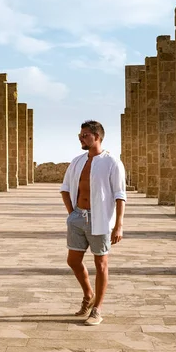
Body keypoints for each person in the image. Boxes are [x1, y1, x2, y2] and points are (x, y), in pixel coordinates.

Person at [60, 120, 126, 326]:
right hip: (78, 217)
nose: (81, 138)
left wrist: (119, 225)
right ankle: (89, 293)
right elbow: (65, 189)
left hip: (101, 219)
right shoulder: (77, 161)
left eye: (85, 135)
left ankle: (97, 309)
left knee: (101, 264)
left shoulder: (112, 162)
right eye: (80, 135)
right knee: (73, 260)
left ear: (97, 137)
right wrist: (72, 214)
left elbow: (119, 195)